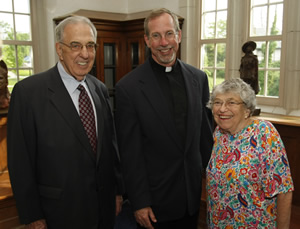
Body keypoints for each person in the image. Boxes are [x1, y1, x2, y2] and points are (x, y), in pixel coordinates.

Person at [7, 16, 124, 229]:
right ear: (59, 50)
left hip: (103, 210)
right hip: (58, 214)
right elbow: (20, 161)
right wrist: (32, 215)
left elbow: (110, 148)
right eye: (75, 46)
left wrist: (117, 192)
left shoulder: (99, 89)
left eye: (90, 45)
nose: (85, 54)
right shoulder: (28, 93)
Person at [115, 8, 213, 229]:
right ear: (147, 41)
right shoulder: (128, 88)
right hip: (155, 203)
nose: (164, 42)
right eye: (156, 36)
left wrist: (215, 183)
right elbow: (130, 153)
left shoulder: (198, 78)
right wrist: (140, 202)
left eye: (169, 34)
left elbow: (205, 137)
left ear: (178, 36)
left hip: (191, 197)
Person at [206, 78, 294, 228]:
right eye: (217, 102)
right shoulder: (219, 134)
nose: (222, 109)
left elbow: (284, 190)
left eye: (231, 103)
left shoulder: (264, 133)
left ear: (247, 110)